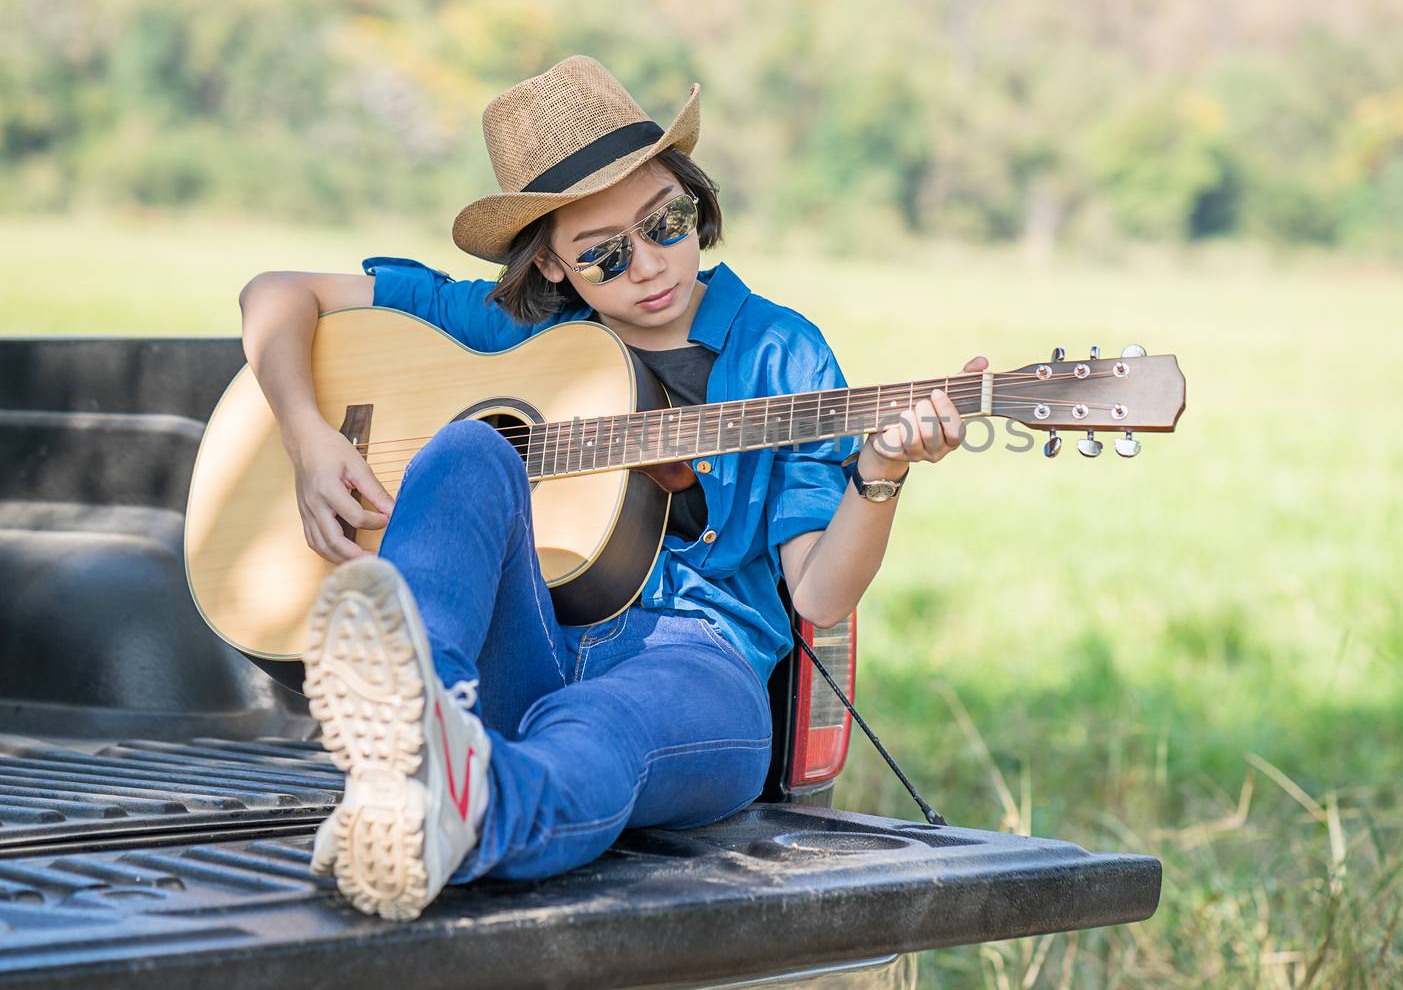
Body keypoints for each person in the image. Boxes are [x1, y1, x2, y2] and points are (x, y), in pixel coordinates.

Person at [237, 55, 985, 921]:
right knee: (466, 450)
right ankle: (418, 725)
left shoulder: (782, 353)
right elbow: (277, 293)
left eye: (667, 221)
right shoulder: (520, 331)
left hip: (698, 664)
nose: (650, 266)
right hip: (530, 647)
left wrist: (882, 472)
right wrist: (306, 434)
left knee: (599, 732)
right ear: (553, 268)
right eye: (605, 255)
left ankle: (460, 811)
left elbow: (820, 589)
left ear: (694, 200)